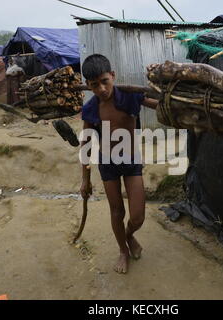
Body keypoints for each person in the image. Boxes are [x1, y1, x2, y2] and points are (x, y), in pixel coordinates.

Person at [79, 54, 158, 274]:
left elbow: (159, 106)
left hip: (131, 161)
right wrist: (85, 180)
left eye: (105, 81)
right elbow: (85, 144)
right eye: (95, 85)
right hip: (107, 164)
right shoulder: (91, 109)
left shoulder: (130, 97)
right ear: (88, 86)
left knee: (137, 216)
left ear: (112, 76)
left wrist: (175, 105)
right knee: (116, 211)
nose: (102, 89)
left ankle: (130, 234)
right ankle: (123, 250)